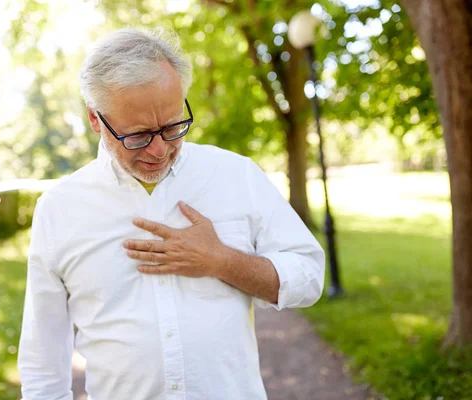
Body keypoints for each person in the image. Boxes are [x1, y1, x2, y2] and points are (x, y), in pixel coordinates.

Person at [17, 28, 325, 400]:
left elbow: (309, 277)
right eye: (139, 135)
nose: (160, 150)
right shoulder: (59, 209)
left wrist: (221, 261)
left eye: (172, 126)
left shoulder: (235, 175)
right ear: (96, 120)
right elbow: (43, 358)